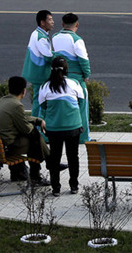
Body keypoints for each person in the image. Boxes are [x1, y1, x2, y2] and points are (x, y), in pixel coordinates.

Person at [0, 76, 50, 184]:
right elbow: (26, 129)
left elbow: (19, 118)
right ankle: (37, 176)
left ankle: (18, 173)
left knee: (34, 137)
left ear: (9, 89)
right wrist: (34, 125)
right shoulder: (17, 105)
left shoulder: (3, 100)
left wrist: (36, 120)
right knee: (34, 138)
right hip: (8, 145)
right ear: (24, 91)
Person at [38, 58, 85, 197]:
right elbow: (81, 102)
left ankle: (56, 188)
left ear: (51, 69)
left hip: (54, 128)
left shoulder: (45, 87)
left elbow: (43, 106)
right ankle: (74, 185)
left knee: (55, 157)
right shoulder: (74, 84)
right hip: (73, 127)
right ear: (66, 70)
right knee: (73, 156)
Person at [52, 13, 90, 143]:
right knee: (82, 106)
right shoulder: (77, 40)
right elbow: (84, 60)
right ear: (77, 25)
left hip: (59, 76)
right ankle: (83, 137)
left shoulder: (54, 37)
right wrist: (86, 75)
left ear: (62, 24)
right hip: (76, 78)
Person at [22, 10, 54, 119]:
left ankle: (35, 124)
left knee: (37, 99)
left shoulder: (36, 33)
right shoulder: (41, 38)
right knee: (40, 101)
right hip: (40, 75)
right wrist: (62, 56)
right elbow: (49, 56)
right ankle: (38, 126)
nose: (52, 22)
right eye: (50, 20)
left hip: (35, 73)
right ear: (42, 23)